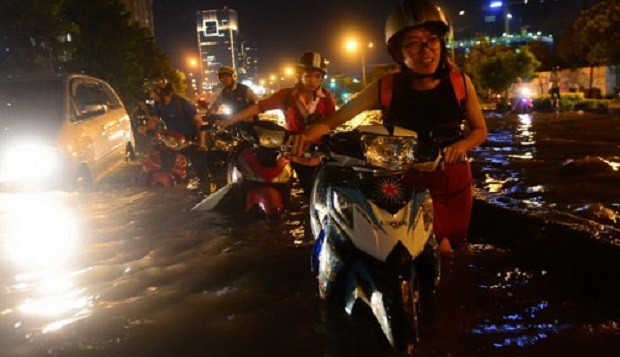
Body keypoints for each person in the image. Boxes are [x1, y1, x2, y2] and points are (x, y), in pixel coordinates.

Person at [287, 0, 487, 255]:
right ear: (398, 52)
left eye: (432, 40)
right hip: (404, 180)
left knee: (453, 248)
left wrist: (461, 146)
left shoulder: (461, 83)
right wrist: (306, 135)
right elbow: (335, 120)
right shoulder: (386, 87)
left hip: (453, 180)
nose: (426, 51)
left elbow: (480, 130)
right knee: (424, 250)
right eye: (413, 43)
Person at [215, 51, 337, 194]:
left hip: (320, 153)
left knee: (324, 190)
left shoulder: (326, 96)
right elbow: (259, 107)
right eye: (308, 75)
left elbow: (333, 121)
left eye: (317, 76)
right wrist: (231, 120)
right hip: (294, 152)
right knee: (302, 189)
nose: (313, 80)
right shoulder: (286, 95)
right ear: (299, 75)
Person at [145, 80, 209, 184]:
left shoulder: (181, 102)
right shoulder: (158, 104)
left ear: (161, 92)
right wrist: (148, 130)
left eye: (153, 92)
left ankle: (204, 188)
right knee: (171, 169)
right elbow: (154, 119)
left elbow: (200, 123)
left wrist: (201, 143)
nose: (151, 95)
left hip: (191, 140)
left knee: (200, 170)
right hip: (174, 141)